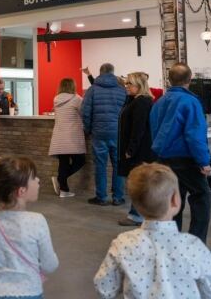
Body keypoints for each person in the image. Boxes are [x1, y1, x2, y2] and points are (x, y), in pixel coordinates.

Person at [94, 163, 211, 299]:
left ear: (135, 204)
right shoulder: (193, 246)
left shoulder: (122, 244)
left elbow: (104, 288)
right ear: (175, 201)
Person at [150, 62, 211, 243]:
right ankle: (196, 245)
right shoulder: (190, 101)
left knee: (173, 201)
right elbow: (194, 134)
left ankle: (171, 244)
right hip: (185, 160)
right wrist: (203, 161)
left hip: (163, 159)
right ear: (189, 80)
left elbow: (154, 130)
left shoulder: (159, 102)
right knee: (202, 197)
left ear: (169, 80)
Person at [0, 156, 59, 299]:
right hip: (30, 291)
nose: (38, 180)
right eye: (34, 177)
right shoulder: (37, 221)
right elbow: (50, 265)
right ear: (21, 191)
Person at [82, 63, 128, 206]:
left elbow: (84, 112)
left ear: (100, 72)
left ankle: (101, 197)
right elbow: (127, 113)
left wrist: (89, 129)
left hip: (99, 133)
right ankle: (118, 197)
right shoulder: (122, 90)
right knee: (117, 165)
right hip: (118, 134)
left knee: (100, 166)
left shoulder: (92, 90)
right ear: (113, 72)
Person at [117, 72, 156, 227]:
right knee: (139, 183)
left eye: (129, 84)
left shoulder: (142, 102)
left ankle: (136, 215)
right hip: (137, 149)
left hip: (139, 151)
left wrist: (131, 149)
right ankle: (138, 214)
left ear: (139, 86)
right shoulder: (136, 100)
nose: (126, 86)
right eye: (126, 83)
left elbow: (138, 129)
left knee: (139, 183)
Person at [48, 78, 86, 198]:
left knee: (63, 162)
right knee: (80, 161)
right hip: (72, 135)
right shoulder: (77, 99)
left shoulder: (56, 99)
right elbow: (84, 114)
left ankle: (63, 189)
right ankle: (60, 180)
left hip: (59, 135)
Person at [0, 78, 16, 156]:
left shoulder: (8, 96)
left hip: (6, 126)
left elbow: (14, 107)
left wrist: (15, 110)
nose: (0, 91)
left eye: (2, 89)